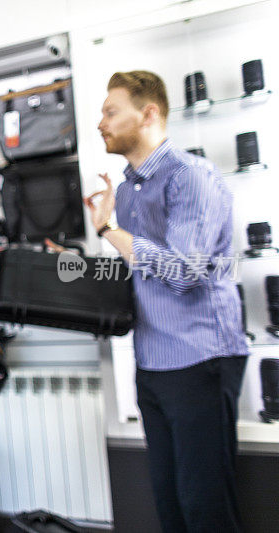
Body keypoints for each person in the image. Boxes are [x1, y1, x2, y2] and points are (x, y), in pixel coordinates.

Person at [90, 70, 249, 532]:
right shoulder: (125, 189)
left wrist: (109, 231)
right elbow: (142, 269)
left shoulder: (191, 177)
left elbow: (183, 271)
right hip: (153, 363)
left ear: (149, 113)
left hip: (201, 360)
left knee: (205, 506)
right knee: (170, 503)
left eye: (111, 111)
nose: (101, 122)